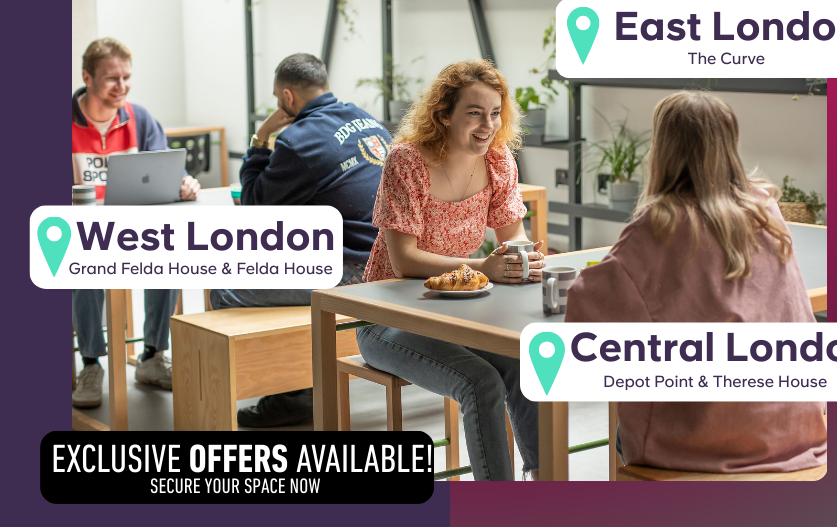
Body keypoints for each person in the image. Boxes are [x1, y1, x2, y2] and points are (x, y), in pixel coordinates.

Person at [565, 91, 827, 474]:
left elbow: (584, 316)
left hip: (705, 441)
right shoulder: (765, 209)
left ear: (663, 150)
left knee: (626, 426)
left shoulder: (661, 224)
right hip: (797, 428)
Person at [359, 59, 546, 481]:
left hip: (455, 313)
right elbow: (404, 260)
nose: (488, 125)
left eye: (495, 113)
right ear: (444, 114)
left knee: (525, 367)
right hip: (386, 319)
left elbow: (513, 234)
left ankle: (543, 483)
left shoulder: (498, 160)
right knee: (481, 383)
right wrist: (484, 267)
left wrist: (521, 257)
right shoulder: (407, 161)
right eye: (475, 113)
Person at [210, 53, 392, 427]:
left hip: (351, 274)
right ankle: (300, 383)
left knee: (224, 289)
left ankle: (292, 394)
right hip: (392, 260)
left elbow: (255, 202)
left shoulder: (297, 140)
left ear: (287, 98)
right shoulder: (368, 121)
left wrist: (261, 137)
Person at [72, 37, 200, 409]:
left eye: (127, 77)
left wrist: (184, 182)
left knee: (169, 256)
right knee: (83, 266)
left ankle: (152, 357)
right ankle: (91, 363)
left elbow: (166, 168)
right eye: (112, 78)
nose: (122, 86)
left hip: (133, 231)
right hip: (81, 232)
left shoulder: (139, 117)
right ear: (87, 77)